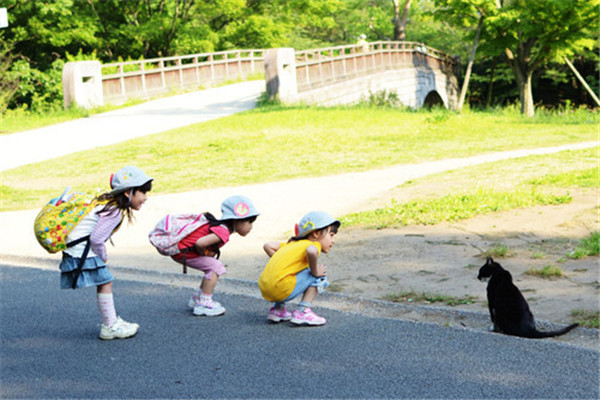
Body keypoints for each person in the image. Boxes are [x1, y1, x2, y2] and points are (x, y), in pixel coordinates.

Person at [60, 166, 153, 340]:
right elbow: (96, 239)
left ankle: (111, 322)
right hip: (82, 251)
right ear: (128, 193)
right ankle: (110, 326)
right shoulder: (114, 211)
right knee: (105, 281)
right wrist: (103, 256)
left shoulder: (107, 204)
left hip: (76, 248)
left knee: (105, 281)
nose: (145, 198)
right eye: (143, 192)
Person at [172, 195, 259, 317]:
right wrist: (204, 254)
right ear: (236, 220)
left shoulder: (221, 228)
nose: (251, 227)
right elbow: (200, 243)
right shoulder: (223, 231)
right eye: (249, 222)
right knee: (214, 267)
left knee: (211, 266)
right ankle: (204, 303)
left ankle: (198, 297)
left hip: (181, 251)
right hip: (182, 252)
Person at [258, 211, 340, 326]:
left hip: (265, 288)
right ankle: (303, 311)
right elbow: (311, 251)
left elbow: (268, 245)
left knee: (287, 273)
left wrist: (283, 263)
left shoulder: (292, 244)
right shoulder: (313, 244)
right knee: (318, 274)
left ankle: (278, 309)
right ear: (316, 234)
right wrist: (315, 271)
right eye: (331, 235)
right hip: (281, 288)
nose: (333, 240)